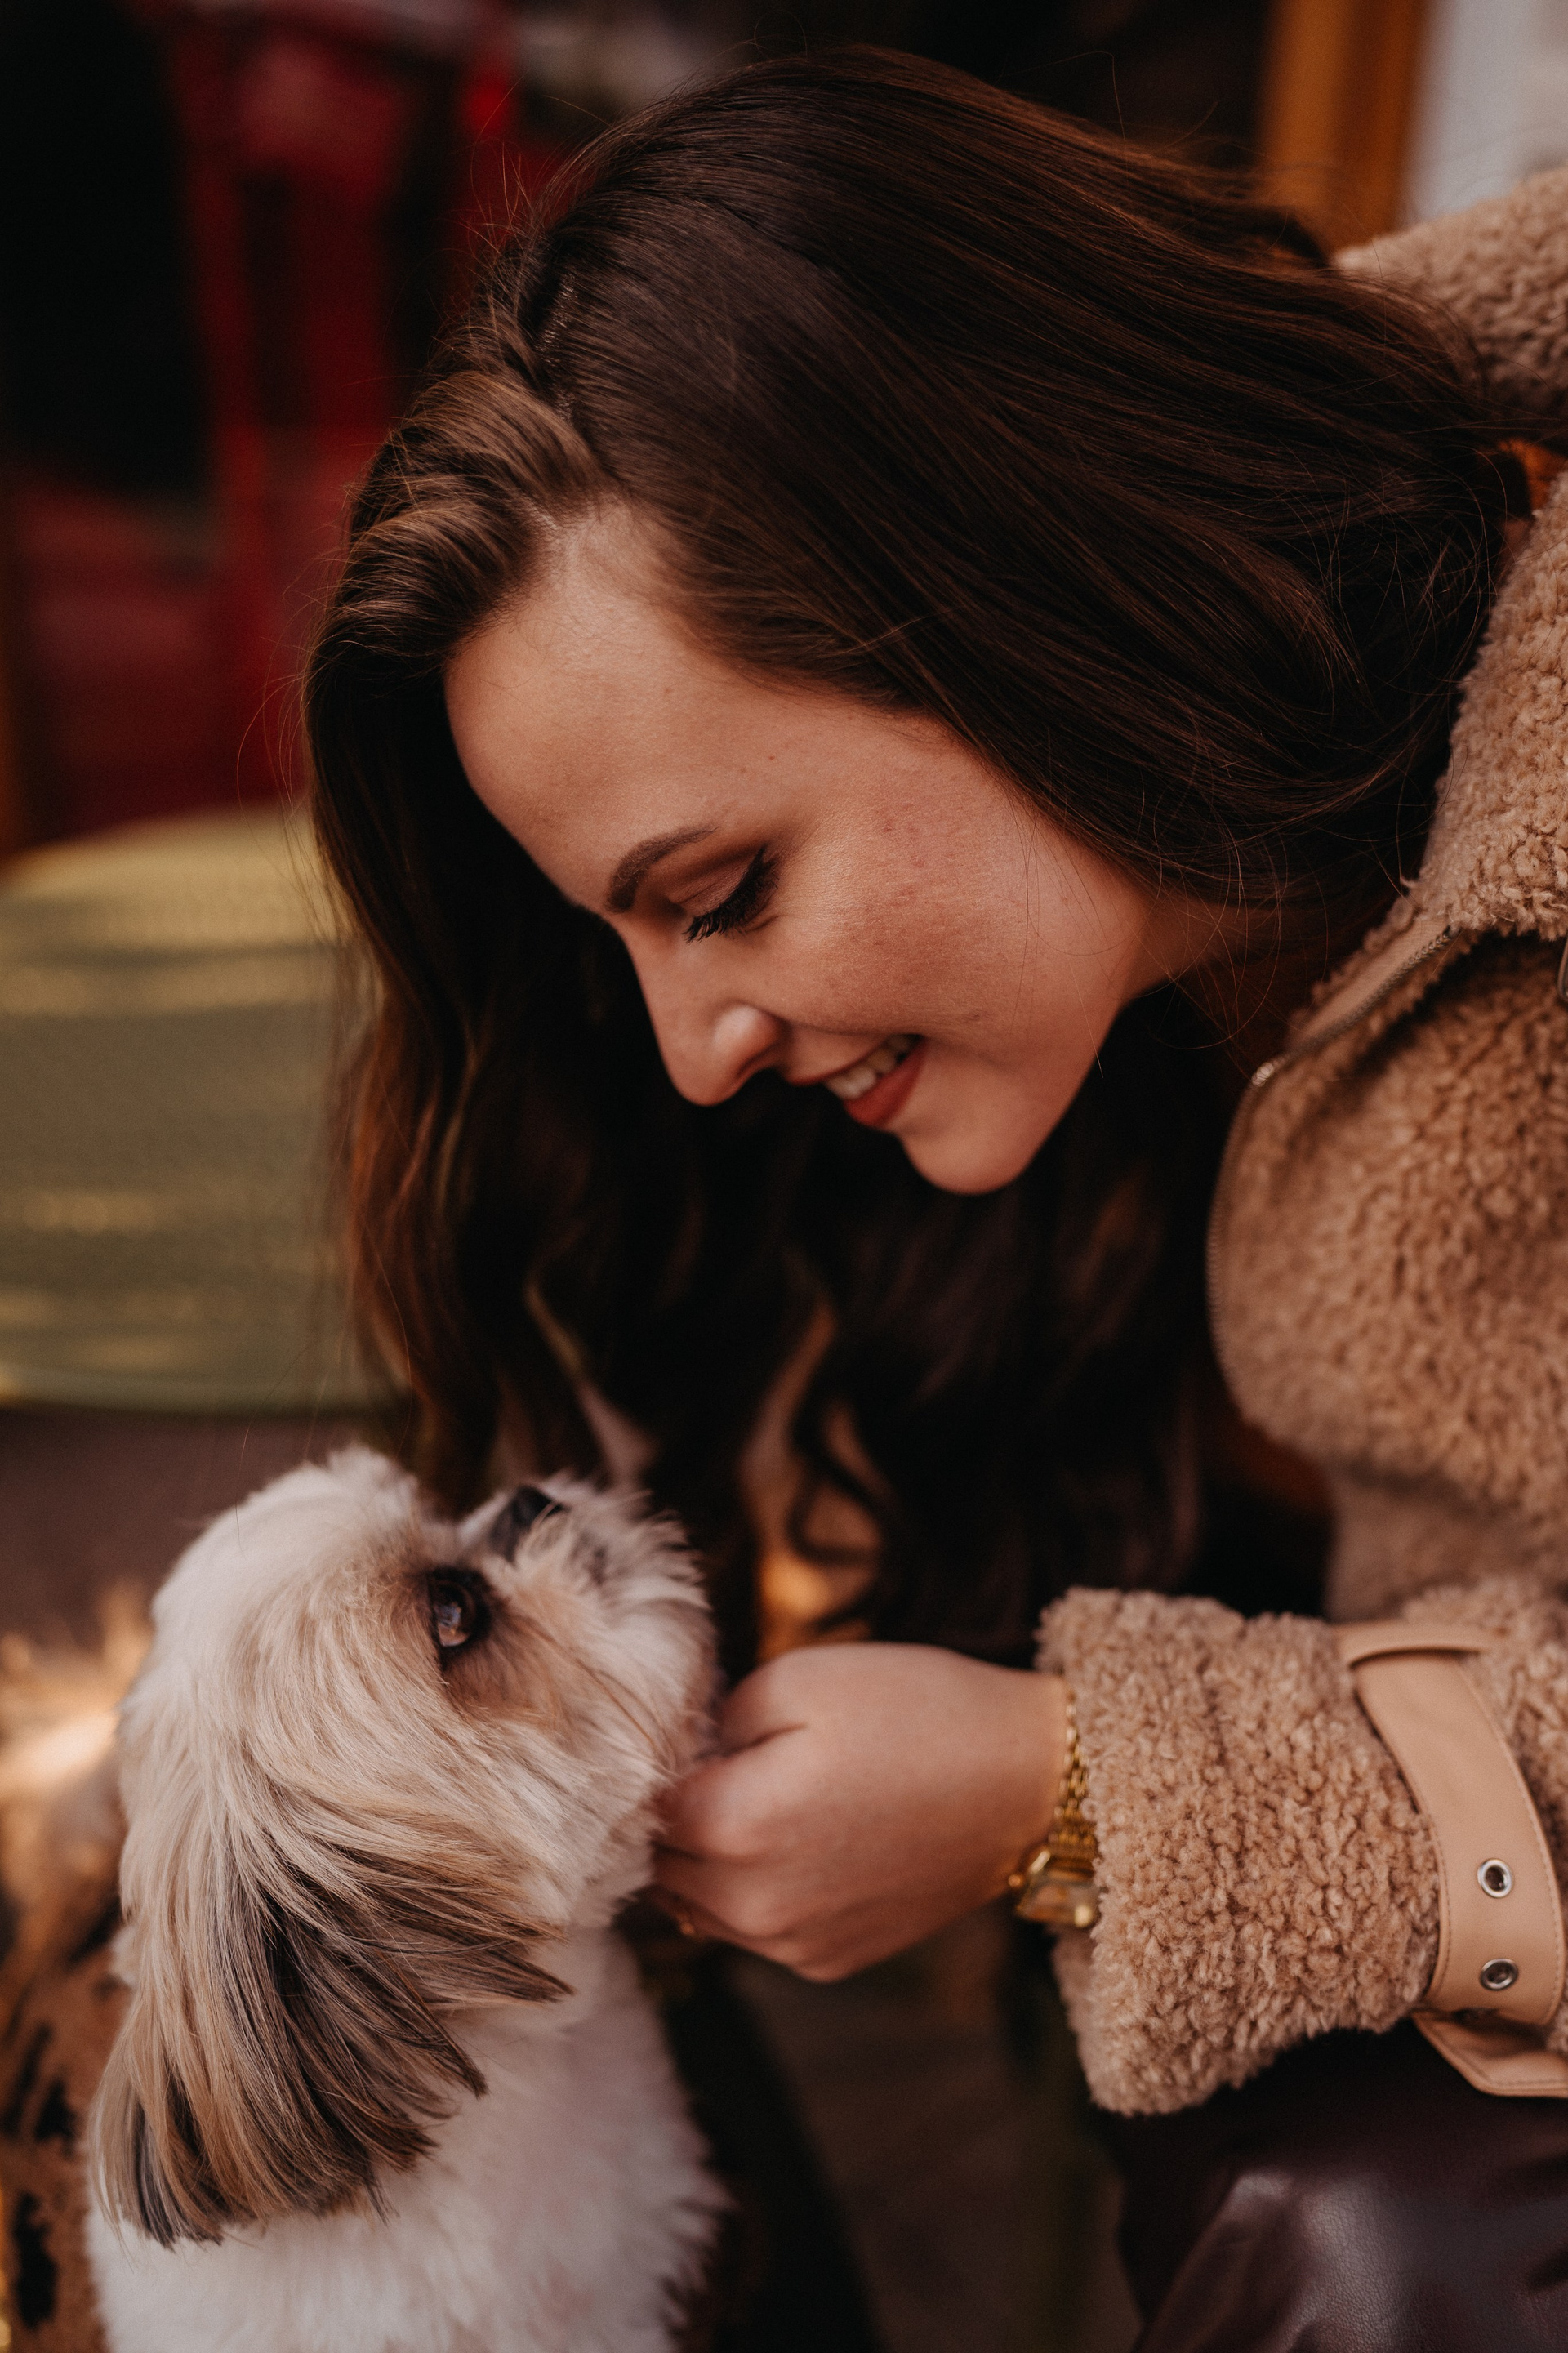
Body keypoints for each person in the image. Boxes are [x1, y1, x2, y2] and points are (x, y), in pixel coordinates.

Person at [306, 51, 1568, 2347]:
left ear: (1019, 595)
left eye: (724, 891)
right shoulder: (1194, 953)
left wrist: (1079, 1786)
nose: (694, 1050)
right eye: (624, 943)